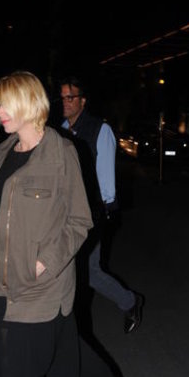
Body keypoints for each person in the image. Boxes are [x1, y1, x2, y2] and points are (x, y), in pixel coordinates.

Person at [0, 71, 128, 377]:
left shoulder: (60, 152)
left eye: (5, 104)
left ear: (29, 103)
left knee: (21, 371)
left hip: (38, 285)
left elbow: (79, 220)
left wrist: (44, 262)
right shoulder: (2, 152)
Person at [59, 76, 143, 334]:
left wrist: (104, 214)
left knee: (87, 270)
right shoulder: (61, 129)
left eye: (70, 97)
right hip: (65, 211)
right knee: (73, 267)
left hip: (92, 212)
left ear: (83, 101)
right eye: (62, 97)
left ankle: (128, 302)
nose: (65, 102)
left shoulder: (100, 130)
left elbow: (107, 180)